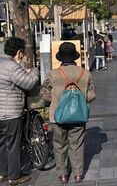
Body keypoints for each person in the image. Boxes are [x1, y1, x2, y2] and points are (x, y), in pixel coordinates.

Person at [40, 42, 96, 184]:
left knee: (59, 145)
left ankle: (63, 174)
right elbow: (91, 96)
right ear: (75, 57)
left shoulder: (52, 74)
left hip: (57, 116)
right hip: (78, 115)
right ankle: (78, 174)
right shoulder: (85, 73)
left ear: (60, 58)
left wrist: (55, 100)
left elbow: (44, 94)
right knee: (77, 144)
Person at [0, 37, 39, 186]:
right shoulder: (11, 66)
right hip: (10, 112)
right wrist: (34, 71)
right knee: (13, 144)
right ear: (19, 52)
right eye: (22, 53)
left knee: (2, 144)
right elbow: (28, 83)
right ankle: (14, 176)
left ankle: (2, 173)